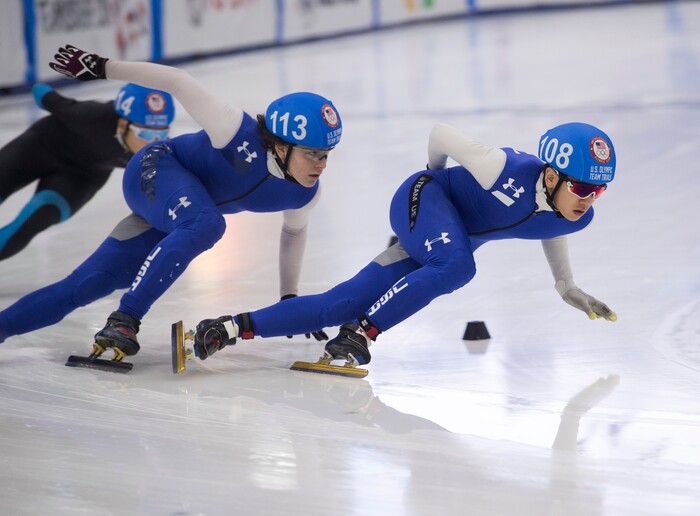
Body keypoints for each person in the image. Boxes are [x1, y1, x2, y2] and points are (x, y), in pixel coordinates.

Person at [0, 44, 342, 361]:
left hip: (180, 213)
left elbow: (294, 234)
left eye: (326, 154)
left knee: (88, 284)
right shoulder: (235, 130)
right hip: (156, 169)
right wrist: (104, 67)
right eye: (313, 154)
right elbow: (178, 81)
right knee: (208, 223)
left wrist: (288, 299)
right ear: (282, 146)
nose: (322, 165)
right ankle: (126, 317)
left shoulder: (305, 192)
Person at [190, 121, 618, 367]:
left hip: (440, 239)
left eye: (599, 190)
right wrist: (433, 177)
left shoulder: (576, 216)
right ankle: (362, 333)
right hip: (424, 199)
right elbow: (441, 133)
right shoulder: (501, 168)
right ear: (550, 175)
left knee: (343, 301)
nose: (590, 199)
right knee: (460, 265)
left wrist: (565, 285)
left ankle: (227, 327)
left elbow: (549, 226)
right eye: (582, 187)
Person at [0, 82, 174, 261]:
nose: (153, 142)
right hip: (39, 148)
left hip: (82, 177)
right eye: (144, 134)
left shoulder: (158, 152)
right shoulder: (90, 116)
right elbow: (43, 94)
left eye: (162, 135)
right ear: (122, 125)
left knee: (33, 221)